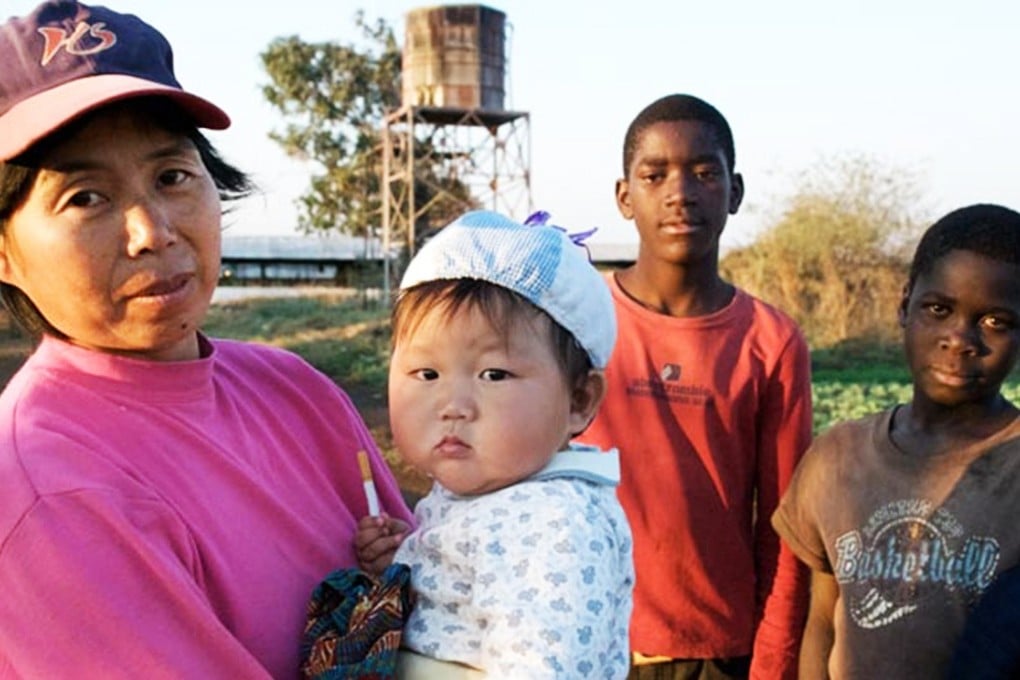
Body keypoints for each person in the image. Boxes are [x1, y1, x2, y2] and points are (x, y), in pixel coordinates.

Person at [0, 2, 412, 678]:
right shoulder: (48, 488)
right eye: (85, 198)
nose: (152, 231)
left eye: (171, 177)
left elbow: (442, 594)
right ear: (5, 251)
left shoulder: (295, 390)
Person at [576, 93, 812, 679]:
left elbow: (782, 528)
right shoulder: (573, 319)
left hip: (713, 654)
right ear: (624, 196)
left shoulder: (771, 342)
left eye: (703, 173)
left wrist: (772, 663)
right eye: (655, 175)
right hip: (579, 635)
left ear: (734, 191)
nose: (680, 193)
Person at [355, 210, 635, 678]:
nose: (454, 405)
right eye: (427, 374)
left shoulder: (555, 526)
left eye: (494, 375)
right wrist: (410, 563)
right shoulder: (491, 494)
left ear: (580, 400)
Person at [772, 203, 1020, 679]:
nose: (960, 338)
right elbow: (823, 618)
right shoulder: (838, 458)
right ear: (904, 306)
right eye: (939, 309)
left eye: (995, 322)